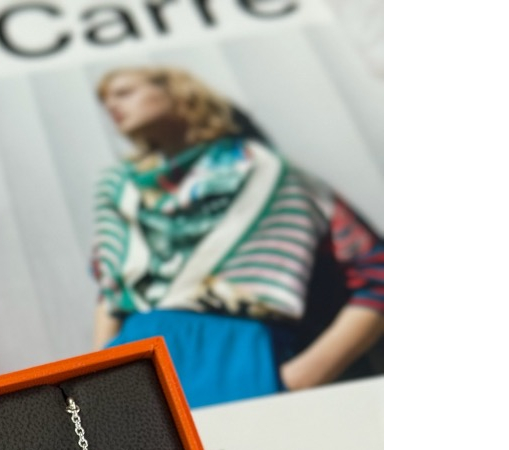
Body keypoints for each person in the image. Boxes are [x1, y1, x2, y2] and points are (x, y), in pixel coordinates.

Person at [92, 67, 383, 409]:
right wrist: (96, 374)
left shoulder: (270, 175)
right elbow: (111, 290)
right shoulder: (121, 190)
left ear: (177, 91)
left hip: (237, 352)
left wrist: (301, 377)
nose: (111, 105)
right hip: (132, 361)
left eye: (124, 92)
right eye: (105, 100)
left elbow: (377, 271)